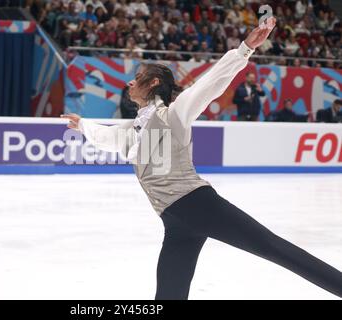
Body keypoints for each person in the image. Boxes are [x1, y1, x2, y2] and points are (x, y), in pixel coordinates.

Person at [61, 17, 342, 300]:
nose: (130, 81)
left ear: (153, 83)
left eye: (138, 77)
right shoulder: (134, 129)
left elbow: (208, 86)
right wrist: (83, 125)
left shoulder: (173, 114)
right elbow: (109, 138)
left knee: (274, 248)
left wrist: (244, 49)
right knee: (169, 294)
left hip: (200, 205)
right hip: (174, 222)